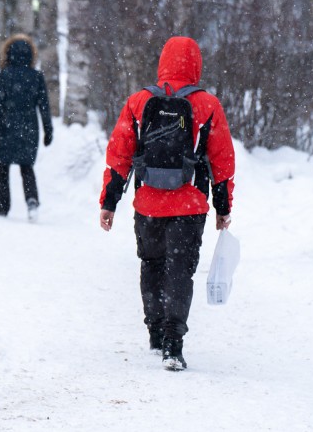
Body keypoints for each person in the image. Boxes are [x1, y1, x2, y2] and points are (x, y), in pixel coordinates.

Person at [98, 36, 235, 371]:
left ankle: (155, 334)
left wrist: (110, 202)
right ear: (196, 65)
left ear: (163, 62)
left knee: (152, 265)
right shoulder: (208, 105)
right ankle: (174, 342)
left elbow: (119, 155)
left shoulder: (139, 101)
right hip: (189, 205)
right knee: (180, 271)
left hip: (148, 203)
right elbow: (222, 161)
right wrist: (223, 206)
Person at [0, 34, 53, 221]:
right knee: (26, 168)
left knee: (3, 169)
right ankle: (32, 201)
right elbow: (44, 106)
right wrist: (48, 130)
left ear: (8, 53)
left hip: (6, 127)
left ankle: (3, 208)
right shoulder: (36, 77)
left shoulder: (5, 76)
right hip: (29, 128)